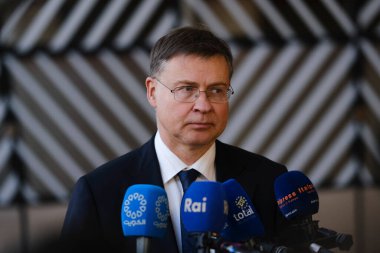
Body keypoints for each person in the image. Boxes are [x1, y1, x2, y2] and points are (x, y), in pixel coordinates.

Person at [61, 26, 288, 253]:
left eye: (217, 90)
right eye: (186, 89)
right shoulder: (99, 192)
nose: (203, 106)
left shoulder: (270, 182)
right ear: (152, 92)